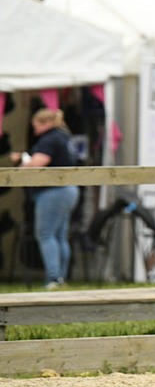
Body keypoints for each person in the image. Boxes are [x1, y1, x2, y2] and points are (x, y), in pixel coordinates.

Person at [9, 108, 79, 288]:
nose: (35, 131)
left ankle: (53, 278)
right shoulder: (65, 136)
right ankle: (61, 278)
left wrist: (22, 160)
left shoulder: (50, 139)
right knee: (60, 236)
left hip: (53, 192)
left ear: (46, 123)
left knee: (46, 234)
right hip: (70, 189)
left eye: (36, 126)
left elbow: (37, 164)